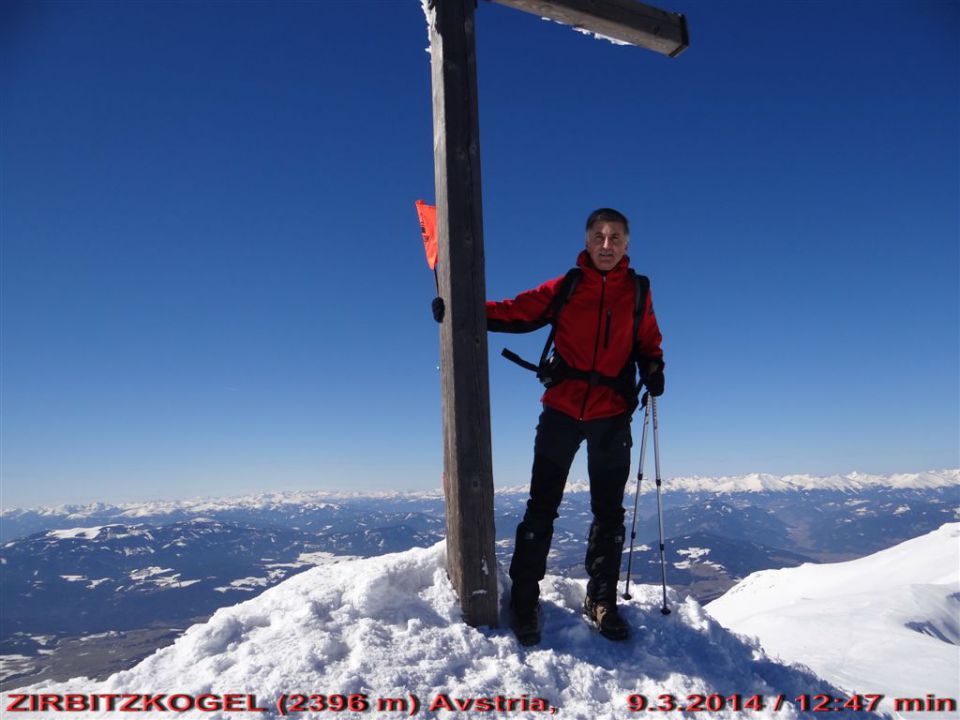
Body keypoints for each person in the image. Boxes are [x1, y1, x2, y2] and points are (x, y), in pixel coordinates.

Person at [483, 208, 665, 645]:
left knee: (609, 513)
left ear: (627, 244)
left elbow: (648, 341)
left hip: (610, 415)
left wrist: (655, 366)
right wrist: (459, 308)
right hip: (562, 411)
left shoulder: (638, 292)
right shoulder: (566, 287)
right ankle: (524, 600)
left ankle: (601, 600)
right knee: (541, 507)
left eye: (616, 237)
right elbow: (514, 312)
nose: (607, 245)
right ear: (587, 241)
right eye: (599, 236)